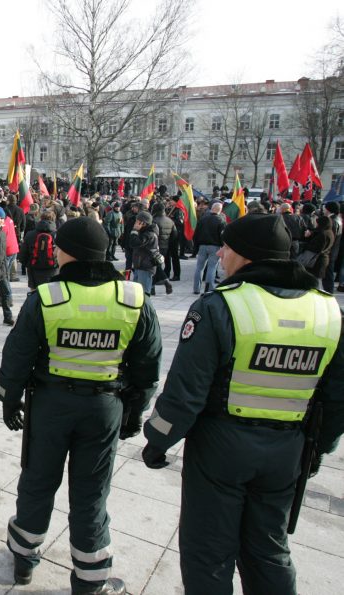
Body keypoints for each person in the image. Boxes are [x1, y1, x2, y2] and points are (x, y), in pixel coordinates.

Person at [141, 213, 344, 594]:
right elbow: (337, 398)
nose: (220, 253)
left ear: (248, 256)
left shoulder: (219, 307)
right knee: (269, 550)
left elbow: (185, 393)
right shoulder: (329, 311)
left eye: (228, 247)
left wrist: (158, 439)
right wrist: (316, 451)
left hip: (221, 448)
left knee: (209, 554)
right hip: (287, 451)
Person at [0, 216, 162, 593]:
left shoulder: (47, 298)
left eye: (58, 246)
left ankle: (24, 559)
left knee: (38, 481)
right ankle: (90, 579)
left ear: (68, 252)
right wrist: (135, 411)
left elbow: (18, 355)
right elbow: (147, 367)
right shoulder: (133, 298)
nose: (53, 250)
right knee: (91, 492)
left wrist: (9, 399)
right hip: (105, 407)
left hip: (51, 406)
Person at [193, 201, 225, 294]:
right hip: (215, 246)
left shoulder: (203, 219)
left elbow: (196, 234)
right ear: (220, 210)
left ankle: (196, 289)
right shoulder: (221, 220)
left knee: (199, 267)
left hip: (202, 245)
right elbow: (222, 236)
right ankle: (209, 288)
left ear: (212, 208)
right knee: (212, 267)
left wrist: (196, 246)